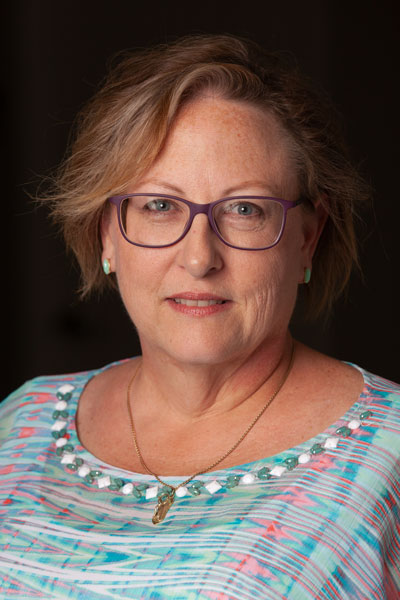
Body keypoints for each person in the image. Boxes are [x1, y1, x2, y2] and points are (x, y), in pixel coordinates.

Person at [0, 34, 399, 600]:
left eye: (245, 210)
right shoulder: (20, 423)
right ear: (106, 233)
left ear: (307, 240)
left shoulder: (390, 456)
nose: (199, 257)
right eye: (160, 206)